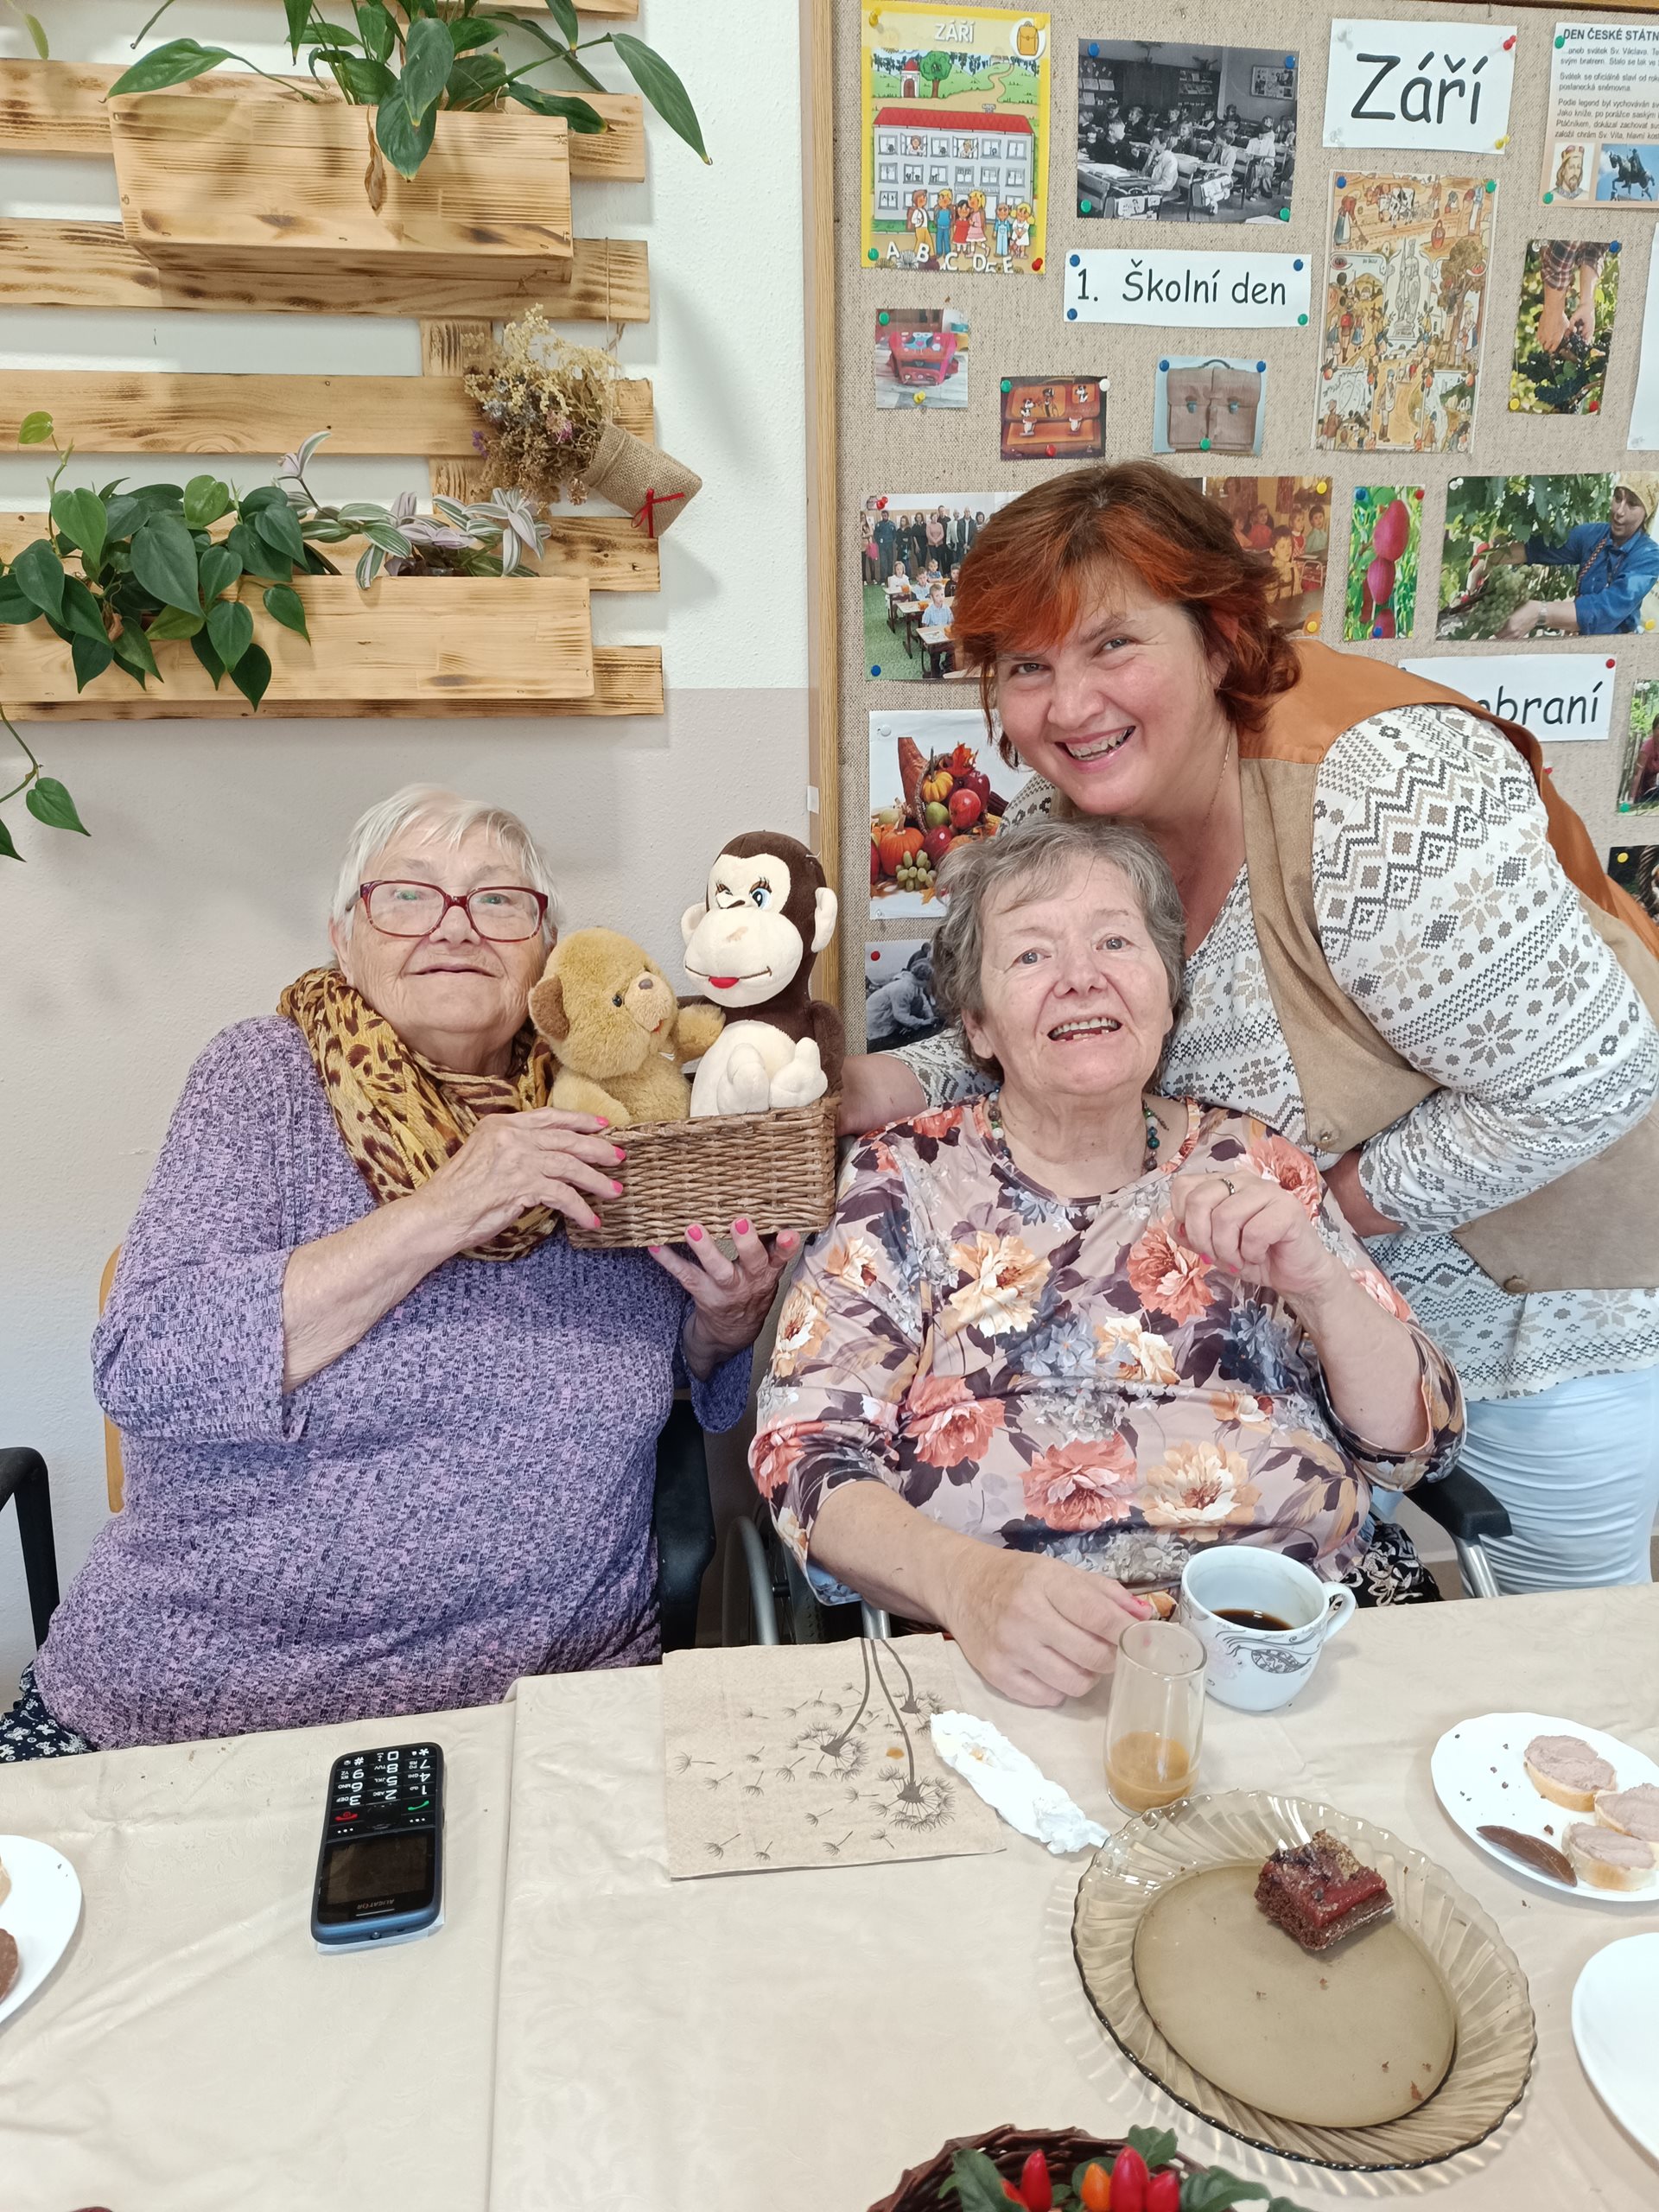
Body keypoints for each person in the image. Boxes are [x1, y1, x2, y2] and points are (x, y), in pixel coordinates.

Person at [839, 462, 1659, 1594]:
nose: (1068, 706)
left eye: (1113, 646)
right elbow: (1061, 1025)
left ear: (1220, 639)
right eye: (1027, 667)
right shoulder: (1064, 816)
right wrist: (891, 1082)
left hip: (1537, 1322)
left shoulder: (1384, 794)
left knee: (1552, 1656)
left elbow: (1593, 1081)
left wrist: (1314, 1215)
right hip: (1306, 1345)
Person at [3, 786, 794, 1759]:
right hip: (201, 1707)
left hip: (547, 1710)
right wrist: (444, 1209)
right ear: (346, 937)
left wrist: (723, 1325)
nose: (456, 927)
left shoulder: (616, 1107)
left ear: (546, 952)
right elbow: (149, 1366)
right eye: (409, 896)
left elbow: (661, 1374)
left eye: (498, 900)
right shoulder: (265, 1080)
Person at [755, 823, 1463, 1704]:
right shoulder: (903, 1179)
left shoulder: (1252, 1157)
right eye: (1031, 955)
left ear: (1167, 995)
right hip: (1024, 1664)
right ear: (976, 1024)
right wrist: (968, 1586)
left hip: (1298, 1641)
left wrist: (1320, 1284)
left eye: (1116, 942)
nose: (1081, 976)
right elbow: (805, 1453)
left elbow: (1414, 1444)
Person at [1495, 475, 1659, 639]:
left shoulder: (1649, 556)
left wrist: (1540, 612)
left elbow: (1605, 609)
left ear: (1647, 512)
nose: (1619, 511)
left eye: (1632, 504)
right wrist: (1490, 558)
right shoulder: (1593, 535)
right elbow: (1537, 549)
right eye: (1617, 498)